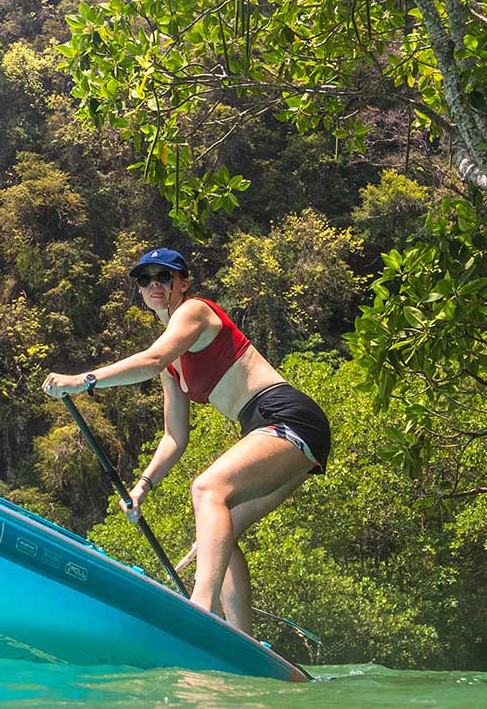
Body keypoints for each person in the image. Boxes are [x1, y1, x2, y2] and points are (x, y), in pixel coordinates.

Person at [41, 248, 331, 636]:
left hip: (285, 416)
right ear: (141, 290)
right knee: (219, 533)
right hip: (269, 428)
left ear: (182, 282)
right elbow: (175, 437)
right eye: (146, 279)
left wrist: (82, 380)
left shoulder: (194, 311)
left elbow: (151, 360)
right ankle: (241, 643)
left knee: (208, 489)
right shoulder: (172, 362)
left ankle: (200, 609)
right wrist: (142, 487)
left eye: (165, 276)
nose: (155, 285)